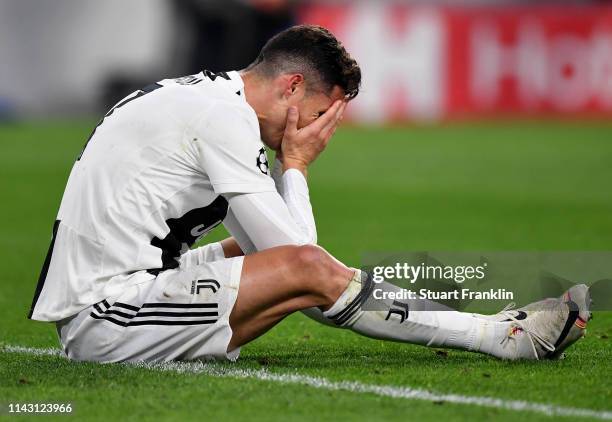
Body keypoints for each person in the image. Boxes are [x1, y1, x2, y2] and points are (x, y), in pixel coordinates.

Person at [28, 25, 590, 363]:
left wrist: (288, 171)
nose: (316, 131)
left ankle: (495, 327)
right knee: (305, 268)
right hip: (107, 318)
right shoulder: (223, 118)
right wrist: (294, 166)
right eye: (320, 115)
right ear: (292, 86)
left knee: (274, 260)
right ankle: (501, 336)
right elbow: (299, 254)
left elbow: (280, 251)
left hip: (130, 289)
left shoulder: (212, 99)